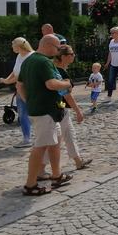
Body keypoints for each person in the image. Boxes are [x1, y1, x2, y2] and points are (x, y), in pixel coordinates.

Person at [18, 34, 73, 196]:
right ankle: (30, 185)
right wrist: (67, 83)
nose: (57, 52)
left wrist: (29, 100)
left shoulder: (29, 60)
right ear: (49, 45)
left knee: (55, 142)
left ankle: (57, 175)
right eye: (57, 48)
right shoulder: (43, 62)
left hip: (46, 110)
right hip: (45, 112)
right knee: (40, 147)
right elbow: (51, 84)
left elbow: (19, 85)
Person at [40, 45, 91, 174]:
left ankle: (78, 161)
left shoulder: (59, 69)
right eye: (71, 54)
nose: (74, 56)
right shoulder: (59, 72)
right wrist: (78, 111)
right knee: (54, 139)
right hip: (58, 108)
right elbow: (66, 95)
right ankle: (40, 169)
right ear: (63, 57)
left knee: (69, 134)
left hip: (61, 108)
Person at [0, 37, 34, 148]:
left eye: (13, 44)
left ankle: (40, 137)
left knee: (33, 114)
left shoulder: (31, 57)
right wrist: (6, 79)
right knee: (23, 114)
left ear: (19, 46)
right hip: (20, 89)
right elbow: (15, 72)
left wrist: (7, 81)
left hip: (30, 89)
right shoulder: (19, 56)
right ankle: (27, 138)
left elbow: (19, 76)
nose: (11, 46)